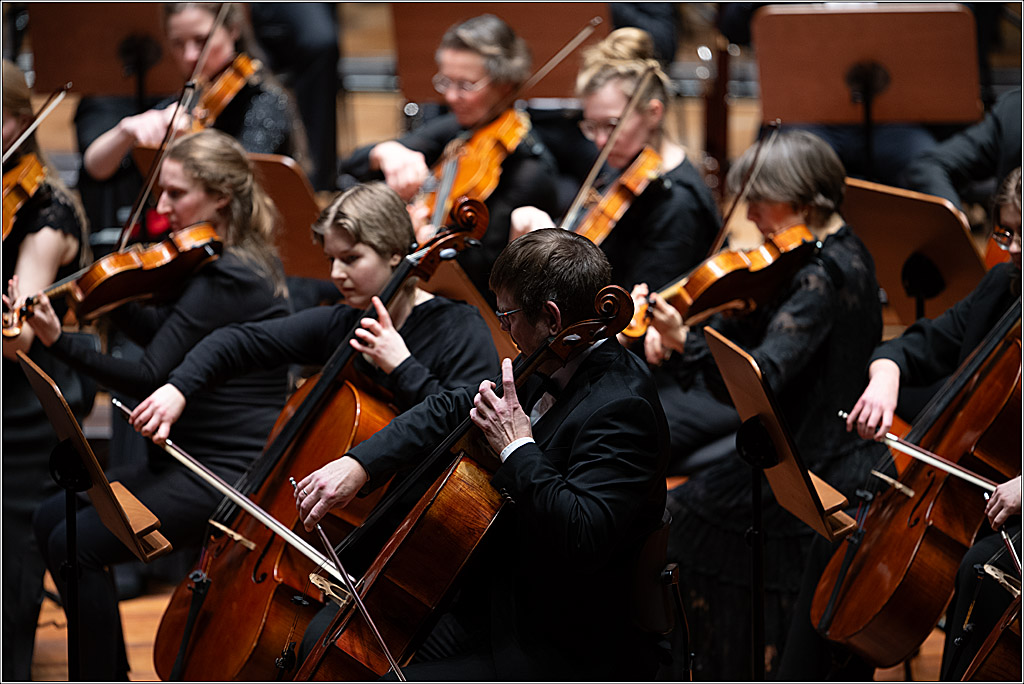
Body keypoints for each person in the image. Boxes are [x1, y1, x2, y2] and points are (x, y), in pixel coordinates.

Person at [294, 229, 671, 680]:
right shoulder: (552, 355)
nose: (506, 329)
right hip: (489, 600)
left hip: (553, 640)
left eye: (508, 315)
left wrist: (516, 446)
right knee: (324, 636)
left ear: (551, 317)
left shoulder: (623, 408)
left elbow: (582, 533)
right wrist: (358, 464)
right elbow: (452, 406)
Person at [17, 128, 291, 681]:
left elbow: (149, 373)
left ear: (221, 198)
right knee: (54, 517)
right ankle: (105, 669)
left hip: (222, 473)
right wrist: (106, 294)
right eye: (160, 193)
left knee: (81, 545)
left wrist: (55, 341)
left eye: (176, 195)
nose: (162, 209)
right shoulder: (220, 262)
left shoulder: (231, 276)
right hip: (187, 455)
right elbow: (168, 331)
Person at [643, 130, 883, 679]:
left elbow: (764, 373)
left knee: (679, 525)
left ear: (802, 200)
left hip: (812, 462)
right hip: (793, 441)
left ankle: (727, 667)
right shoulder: (824, 250)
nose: (749, 213)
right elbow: (750, 321)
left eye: (760, 199)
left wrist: (687, 343)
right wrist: (691, 327)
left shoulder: (823, 275)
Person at [777, 167, 1021, 681]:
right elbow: (920, 343)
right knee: (842, 540)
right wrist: (886, 376)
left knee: (981, 572)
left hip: (1013, 504)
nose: (1013, 248)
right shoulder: (1005, 287)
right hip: (969, 489)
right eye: (1006, 232)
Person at [129, 180, 499, 444]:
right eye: (332, 260)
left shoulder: (458, 327)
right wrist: (178, 388)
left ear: (394, 254)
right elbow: (237, 341)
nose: (336, 274)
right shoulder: (346, 324)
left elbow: (469, 428)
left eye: (351, 259)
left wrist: (401, 366)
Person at [337, 14, 559, 302]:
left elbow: (484, 274)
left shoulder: (529, 172)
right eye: (446, 81)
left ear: (505, 85)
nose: (451, 97)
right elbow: (353, 163)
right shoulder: (460, 129)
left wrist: (420, 237)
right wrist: (386, 153)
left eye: (466, 85)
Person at [1, 58, 96, 682]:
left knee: (9, 547)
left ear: (15, 120)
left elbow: (18, 337)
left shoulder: (44, 213)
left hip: (26, 399)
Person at [512, 27, 721, 293]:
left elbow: (634, 317)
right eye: (591, 126)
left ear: (653, 113)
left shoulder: (677, 204)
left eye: (611, 125)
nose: (599, 141)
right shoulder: (625, 164)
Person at [80, 2, 308, 188]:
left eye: (202, 41)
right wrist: (126, 130)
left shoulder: (263, 101)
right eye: (177, 43)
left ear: (233, 30)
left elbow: (239, 183)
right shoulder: (190, 100)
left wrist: (190, 142)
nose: (189, 55)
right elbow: (96, 168)